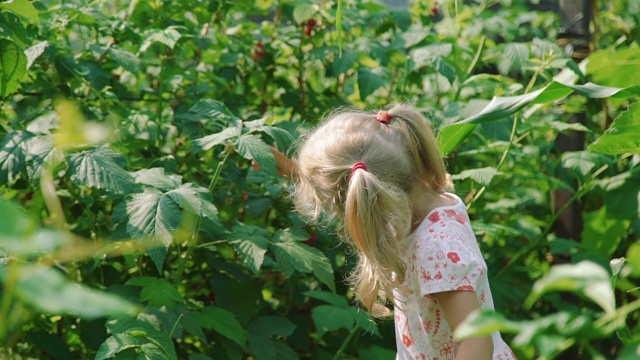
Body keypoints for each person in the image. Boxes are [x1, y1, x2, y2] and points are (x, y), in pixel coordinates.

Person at [270, 104, 516, 360]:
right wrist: (289, 167)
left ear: (366, 202)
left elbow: (477, 343)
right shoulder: (423, 205)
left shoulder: (435, 249)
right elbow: (351, 178)